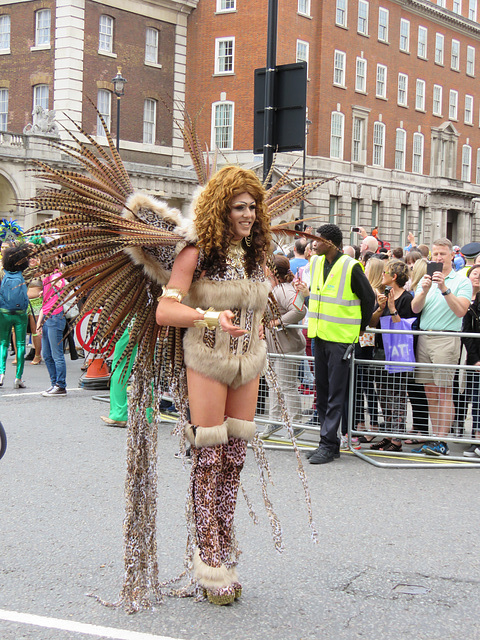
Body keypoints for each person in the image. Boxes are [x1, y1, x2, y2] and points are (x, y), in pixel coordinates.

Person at [155, 166, 272, 605]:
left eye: (253, 206)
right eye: (240, 207)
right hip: (206, 358)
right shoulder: (197, 251)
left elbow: (258, 307)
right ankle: (209, 562)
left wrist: (260, 325)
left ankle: (225, 547)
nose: (249, 214)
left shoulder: (255, 255)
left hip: (248, 362)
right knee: (209, 458)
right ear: (221, 210)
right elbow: (165, 312)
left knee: (236, 459)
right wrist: (209, 316)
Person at [306, 224, 375, 464]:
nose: (314, 243)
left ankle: (327, 444)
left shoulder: (350, 266)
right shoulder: (316, 263)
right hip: (319, 336)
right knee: (323, 393)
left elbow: (369, 299)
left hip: (340, 339)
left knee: (335, 394)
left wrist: (360, 328)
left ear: (332, 243)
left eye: (319, 239)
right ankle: (329, 443)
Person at [411, 238, 472, 456]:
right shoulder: (425, 279)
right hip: (425, 337)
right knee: (430, 390)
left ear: (451, 256)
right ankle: (434, 438)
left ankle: (441, 441)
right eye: (435, 254)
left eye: (442, 254)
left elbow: (460, 311)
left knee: (444, 390)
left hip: (447, 338)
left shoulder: (461, 281)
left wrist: (444, 288)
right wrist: (425, 289)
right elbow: (415, 308)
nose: (438, 258)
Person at [368, 260, 416, 451]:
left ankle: (397, 438)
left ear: (394, 276)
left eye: (385, 272)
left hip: (397, 352)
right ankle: (388, 434)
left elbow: (404, 326)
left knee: (397, 396)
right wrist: (380, 308)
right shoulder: (384, 295)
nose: (382, 275)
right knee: (384, 394)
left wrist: (393, 308)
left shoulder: (406, 298)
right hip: (381, 350)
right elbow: (372, 324)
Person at [262, 254, 307, 439]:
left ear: (272, 270)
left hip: (287, 347)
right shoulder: (276, 288)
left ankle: (295, 425)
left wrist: (277, 323)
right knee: (274, 385)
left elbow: (299, 310)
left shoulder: (282, 289)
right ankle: (274, 423)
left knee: (286, 386)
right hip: (277, 347)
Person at [0, 244, 31, 388]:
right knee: (20, 345)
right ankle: (18, 378)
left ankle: (1, 374)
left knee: (3, 344)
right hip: (20, 314)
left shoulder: (4, 274)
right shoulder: (23, 276)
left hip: (4, 312)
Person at [457, 265, 480, 457]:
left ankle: (476, 438)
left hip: (474, 355)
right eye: (475, 273)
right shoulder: (464, 299)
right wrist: (474, 359)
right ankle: (471, 436)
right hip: (469, 355)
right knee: (469, 396)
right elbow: (467, 333)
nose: (478, 277)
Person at [36, 266, 68, 396]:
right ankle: (54, 383)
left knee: (56, 355)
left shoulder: (55, 276)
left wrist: (58, 281)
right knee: (47, 355)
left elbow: (63, 285)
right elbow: (45, 304)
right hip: (47, 319)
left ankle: (60, 385)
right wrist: (39, 323)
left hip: (55, 317)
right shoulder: (46, 279)